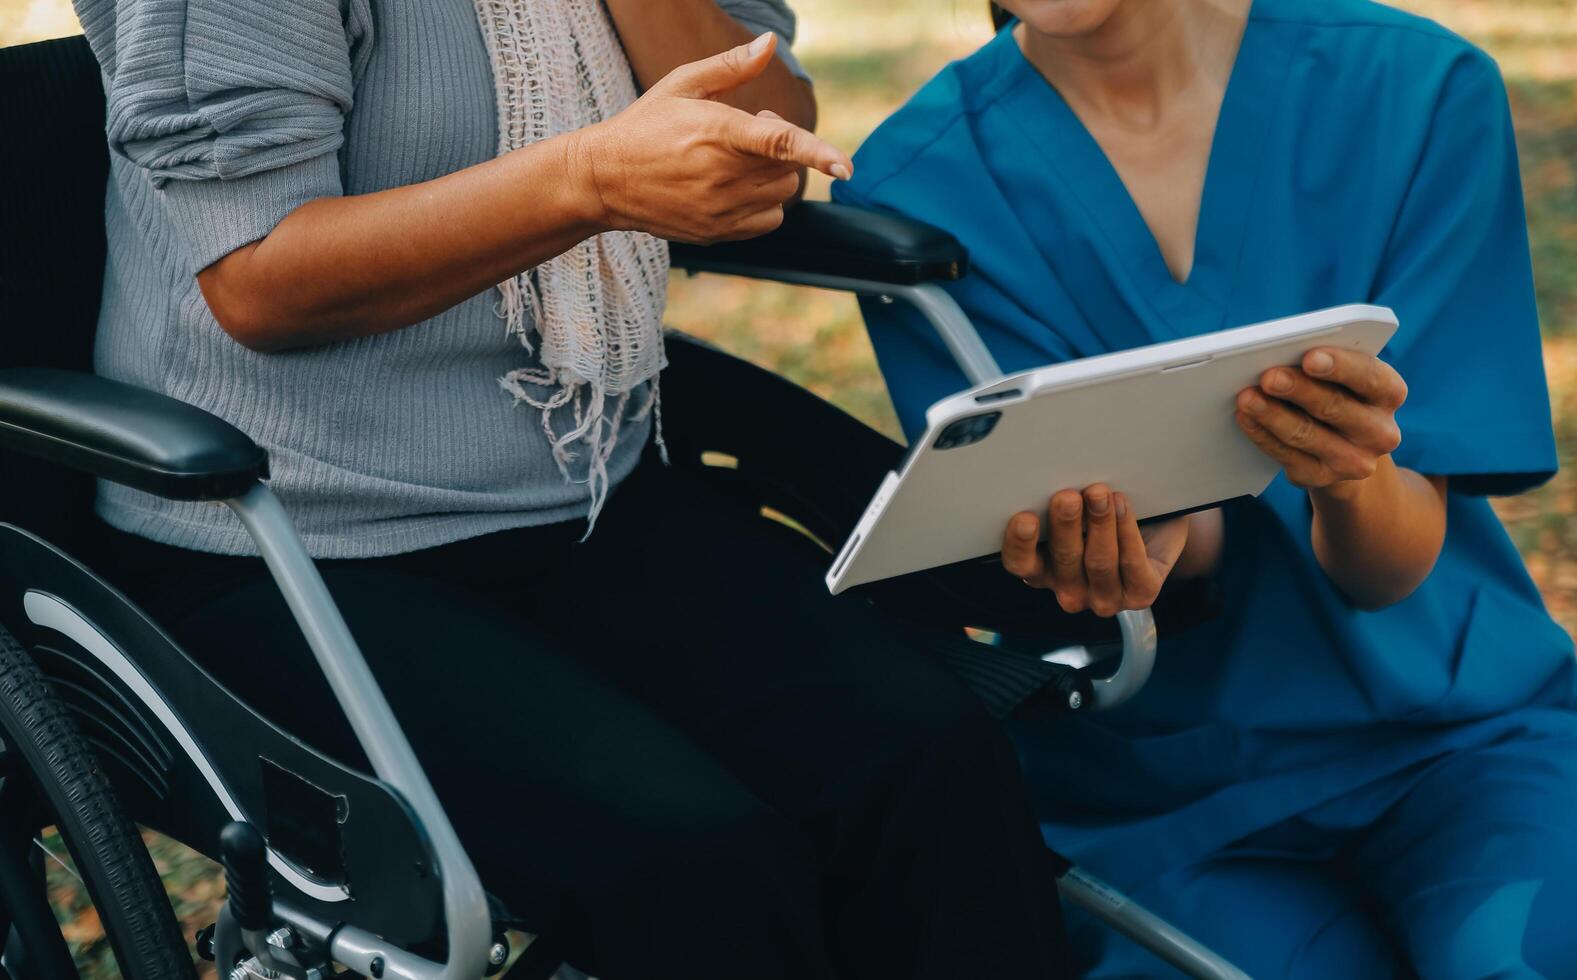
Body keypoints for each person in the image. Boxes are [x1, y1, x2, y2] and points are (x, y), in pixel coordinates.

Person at [73, 0, 1070, 976]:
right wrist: (587, 180)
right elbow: (255, 273)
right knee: (693, 858)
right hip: (295, 529)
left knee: (929, 751)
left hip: (583, 483)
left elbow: (766, 124)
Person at [835, 0, 1577, 975]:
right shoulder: (916, 187)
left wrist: (1347, 476)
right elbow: (1175, 549)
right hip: (1159, 788)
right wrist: (1147, 548)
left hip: (1455, 731)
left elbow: (1391, 566)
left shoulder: (1410, 90)